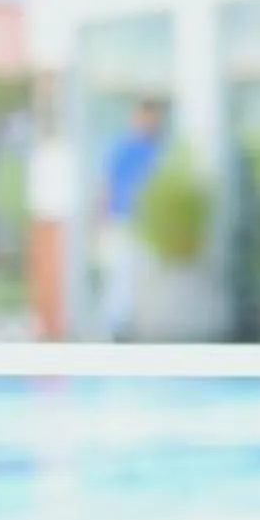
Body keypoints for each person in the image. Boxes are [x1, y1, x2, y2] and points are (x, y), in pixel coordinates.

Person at [95, 97, 166, 342]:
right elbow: (107, 185)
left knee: (142, 276)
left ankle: (131, 326)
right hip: (122, 222)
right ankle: (113, 329)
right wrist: (103, 220)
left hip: (146, 226)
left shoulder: (157, 150)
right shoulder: (122, 147)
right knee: (119, 276)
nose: (152, 123)